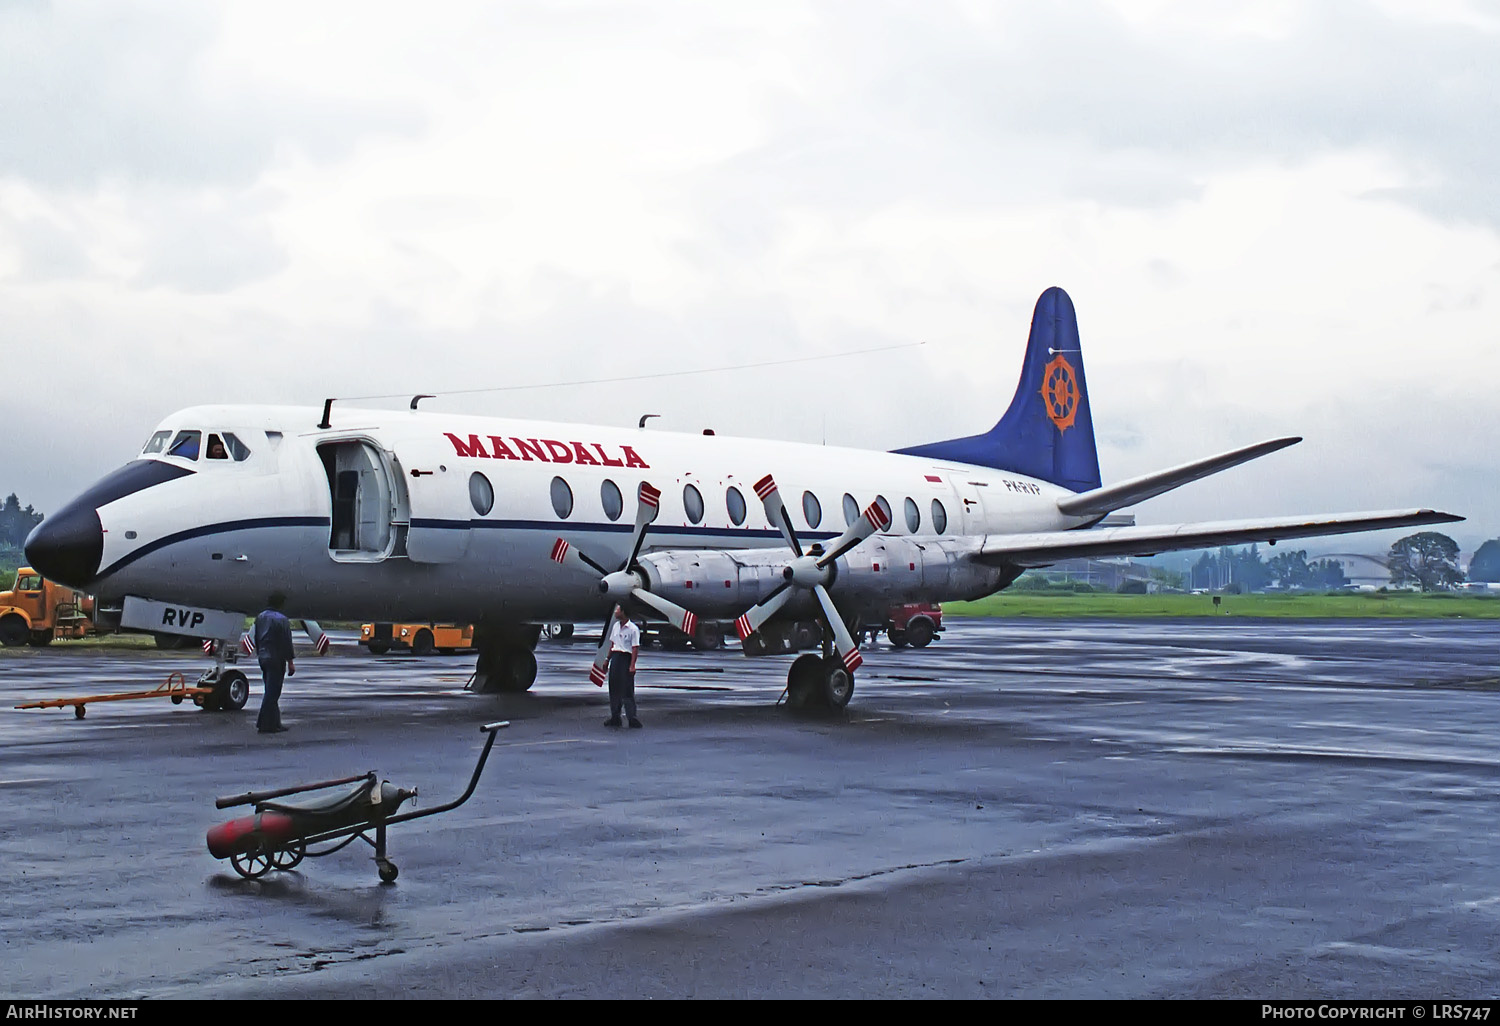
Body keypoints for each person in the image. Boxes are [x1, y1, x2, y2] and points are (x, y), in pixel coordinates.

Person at [253, 593, 296, 734]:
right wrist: (290, 662)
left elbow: (256, 637)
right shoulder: (281, 619)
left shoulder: (260, 617)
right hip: (276, 658)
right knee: (273, 693)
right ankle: (264, 724)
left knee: (270, 689)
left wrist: (259, 653)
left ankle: (276, 722)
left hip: (263, 656)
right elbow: (286, 642)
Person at [604, 605, 641, 729]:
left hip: (626, 657)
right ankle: (615, 716)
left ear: (624, 612)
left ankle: (632, 717)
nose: (615, 611)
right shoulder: (615, 626)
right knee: (614, 687)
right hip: (616, 657)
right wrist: (607, 659)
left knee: (627, 689)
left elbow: (635, 648)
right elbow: (612, 643)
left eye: (618, 610)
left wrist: (632, 665)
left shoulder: (633, 629)